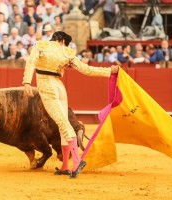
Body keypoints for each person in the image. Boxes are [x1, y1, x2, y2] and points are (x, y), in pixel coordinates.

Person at [22, 31, 119, 178]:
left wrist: (27, 81)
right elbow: (86, 69)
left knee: (62, 123)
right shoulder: (66, 52)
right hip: (60, 87)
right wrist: (109, 71)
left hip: (47, 86)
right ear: (62, 41)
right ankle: (65, 166)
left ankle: (77, 161)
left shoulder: (41, 46)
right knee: (63, 123)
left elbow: (31, 62)